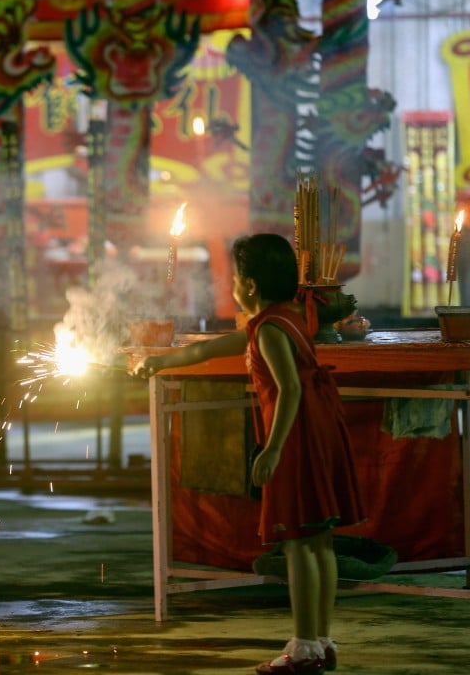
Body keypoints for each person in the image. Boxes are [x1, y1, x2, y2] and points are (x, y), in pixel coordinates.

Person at [133, 233, 364, 675]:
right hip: (317, 430)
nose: (232, 285)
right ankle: (321, 642)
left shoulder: (272, 330)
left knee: (298, 543)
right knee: (319, 542)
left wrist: (273, 449)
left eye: (236, 277)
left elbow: (290, 388)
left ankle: (303, 649)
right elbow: (212, 347)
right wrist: (160, 362)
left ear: (251, 285)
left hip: (297, 437)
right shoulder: (283, 317)